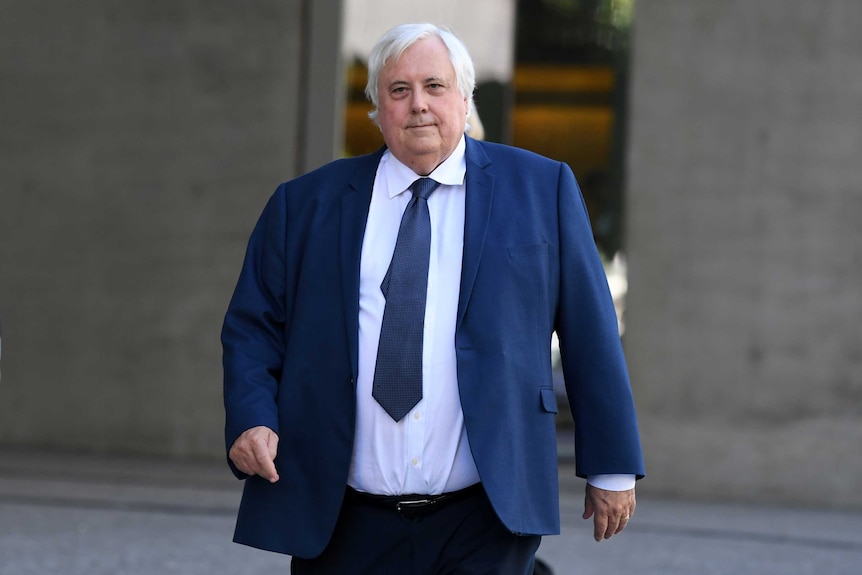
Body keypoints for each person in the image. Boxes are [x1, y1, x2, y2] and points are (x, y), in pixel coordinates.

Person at [222, 22, 644, 574]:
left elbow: (589, 331)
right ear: (376, 108)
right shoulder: (303, 205)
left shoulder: (541, 189)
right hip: (343, 518)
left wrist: (610, 465)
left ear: (464, 98)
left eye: (434, 87)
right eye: (399, 90)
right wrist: (252, 418)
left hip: (484, 514)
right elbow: (253, 327)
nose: (418, 105)